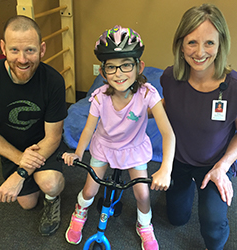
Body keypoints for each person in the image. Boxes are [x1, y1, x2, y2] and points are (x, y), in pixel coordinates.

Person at [62, 25, 175, 250]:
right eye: (111, 68)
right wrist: (77, 153)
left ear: (139, 66)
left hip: (134, 149)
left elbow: (167, 133)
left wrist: (165, 169)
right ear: (103, 72)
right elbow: (87, 130)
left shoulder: (148, 94)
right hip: (104, 147)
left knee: (143, 194)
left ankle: (144, 225)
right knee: (89, 190)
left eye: (126, 65)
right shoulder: (99, 97)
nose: (119, 73)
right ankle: (80, 210)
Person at [159, 4, 237, 250]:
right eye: (192, 42)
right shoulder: (170, 78)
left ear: (221, 44)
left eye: (209, 43)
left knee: (213, 226)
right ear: (180, 44)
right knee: (176, 219)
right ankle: (184, 190)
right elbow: (163, 109)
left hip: (214, 165)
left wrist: (223, 167)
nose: (199, 52)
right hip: (179, 162)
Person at [0, 15, 67, 236]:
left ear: (42, 49)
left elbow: (52, 137)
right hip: (11, 146)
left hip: (44, 146)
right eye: (14, 50)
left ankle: (53, 200)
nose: (22, 59)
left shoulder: (53, 81)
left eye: (30, 50)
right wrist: (19, 158)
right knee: (28, 203)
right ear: (3, 47)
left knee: (50, 184)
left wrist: (21, 173)